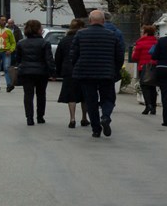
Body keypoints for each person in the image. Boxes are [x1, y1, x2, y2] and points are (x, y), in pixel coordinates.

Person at [71, 10, 124, 138]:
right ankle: (105, 117)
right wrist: (115, 70)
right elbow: (119, 56)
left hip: (86, 73)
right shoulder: (112, 35)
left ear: (89, 21)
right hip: (106, 73)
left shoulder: (80, 35)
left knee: (91, 101)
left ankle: (96, 129)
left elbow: (73, 55)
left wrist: (77, 68)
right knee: (108, 98)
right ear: (103, 21)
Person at [11, 19, 55, 126]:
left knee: (28, 95)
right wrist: (53, 72)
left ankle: (29, 118)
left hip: (26, 72)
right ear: (39, 29)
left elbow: (18, 59)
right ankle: (40, 117)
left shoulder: (21, 43)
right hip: (41, 72)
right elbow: (49, 59)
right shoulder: (45, 43)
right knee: (41, 94)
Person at [54, 18, 84, 127]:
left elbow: (58, 57)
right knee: (84, 94)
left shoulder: (64, 40)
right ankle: (84, 117)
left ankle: (72, 119)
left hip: (68, 70)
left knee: (71, 96)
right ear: (81, 27)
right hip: (82, 70)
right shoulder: (83, 39)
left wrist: (57, 72)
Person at [132, 25, 159, 115]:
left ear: (146, 33)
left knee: (144, 86)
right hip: (155, 66)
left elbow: (135, 57)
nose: (141, 34)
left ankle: (148, 105)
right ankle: (154, 107)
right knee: (153, 86)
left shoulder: (140, 43)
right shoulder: (157, 42)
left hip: (143, 67)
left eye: (142, 32)